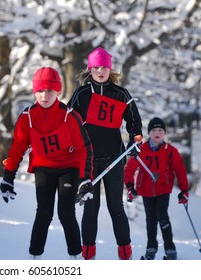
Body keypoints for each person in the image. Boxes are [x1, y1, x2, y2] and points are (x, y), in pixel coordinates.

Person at [0, 66, 94, 259]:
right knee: (43, 213)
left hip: (69, 168)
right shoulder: (27, 117)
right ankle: (35, 258)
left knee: (66, 213)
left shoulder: (69, 116)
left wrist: (86, 179)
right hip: (44, 168)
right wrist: (8, 177)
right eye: (40, 90)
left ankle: (75, 258)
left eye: (49, 90)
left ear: (58, 91)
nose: (44, 95)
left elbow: (85, 148)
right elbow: (17, 148)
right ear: (35, 91)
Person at [68, 47, 143, 260]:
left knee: (115, 206)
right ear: (90, 70)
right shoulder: (81, 94)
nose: (101, 71)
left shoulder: (121, 94)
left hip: (114, 158)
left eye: (105, 67)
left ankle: (125, 254)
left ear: (110, 70)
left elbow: (134, 120)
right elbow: (68, 119)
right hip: (89, 160)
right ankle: (88, 255)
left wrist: (136, 138)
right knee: (91, 207)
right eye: (96, 67)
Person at [124, 117, 189, 260]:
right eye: (154, 130)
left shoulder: (170, 151)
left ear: (164, 133)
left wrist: (184, 190)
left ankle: (170, 248)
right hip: (146, 189)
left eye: (160, 130)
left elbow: (180, 170)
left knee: (162, 215)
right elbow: (129, 169)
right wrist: (130, 186)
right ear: (149, 133)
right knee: (151, 219)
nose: (157, 133)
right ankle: (151, 247)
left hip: (163, 188)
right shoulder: (141, 150)